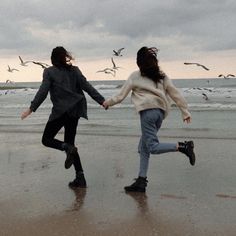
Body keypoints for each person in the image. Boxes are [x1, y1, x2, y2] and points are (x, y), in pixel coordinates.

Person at [103, 46, 195, 193]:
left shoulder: (135, 75)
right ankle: (141, 181)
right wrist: (185, 111)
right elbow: (174, 92)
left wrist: (107, 103)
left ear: (139, 63)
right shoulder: (161, 75)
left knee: (152, 146)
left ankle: (183, 147)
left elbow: (121, 96)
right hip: (159, 114)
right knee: (143, 148)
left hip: (147, 113)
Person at [21, 46, 106, 188]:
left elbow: (43, 92)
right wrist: (102, 101)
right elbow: (87, 86)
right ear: (65, 57)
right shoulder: (75, 71)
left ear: (52, 59)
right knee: (71, 145)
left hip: (61, 111)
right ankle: (80, 178)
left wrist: (31, 109)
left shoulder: (49, 72)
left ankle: (66, 148)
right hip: (75, 111)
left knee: (47, 139)